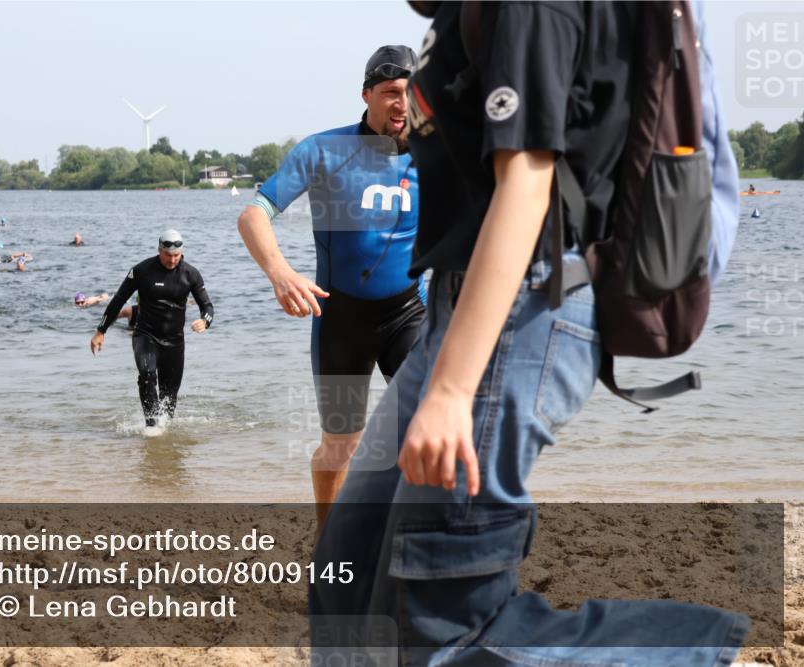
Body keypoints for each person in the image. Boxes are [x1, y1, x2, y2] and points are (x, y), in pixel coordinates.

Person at [311, 3, 748, 666]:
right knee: (345, 575)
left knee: (447, 625)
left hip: (527, 310)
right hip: (461, 310)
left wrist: (453, 390)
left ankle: (695, 650)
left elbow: (528, 179)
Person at [238, 44, 425, 521]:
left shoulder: (438, 154)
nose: (401, 103)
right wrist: (280, 273)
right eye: (389, 92)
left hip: (411, 312)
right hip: (340, 320)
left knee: (428, 428)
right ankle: (328, 539)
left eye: (410, 92)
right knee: (339, 448)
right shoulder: (325, 150)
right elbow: (254, 215)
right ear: (366, 94)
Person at [90, 230, 213, 431]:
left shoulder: (191, 274)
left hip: (174, 341)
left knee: (169, 396)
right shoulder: (141, 271)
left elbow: (207, 306)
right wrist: (101, 330)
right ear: (159, 250)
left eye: (177, 255)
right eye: (168, 255)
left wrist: (205, 321)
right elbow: (118, 300)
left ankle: (163, 433)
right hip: (145, 335)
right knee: (147, 375)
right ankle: (151, 425)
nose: (172, 260)